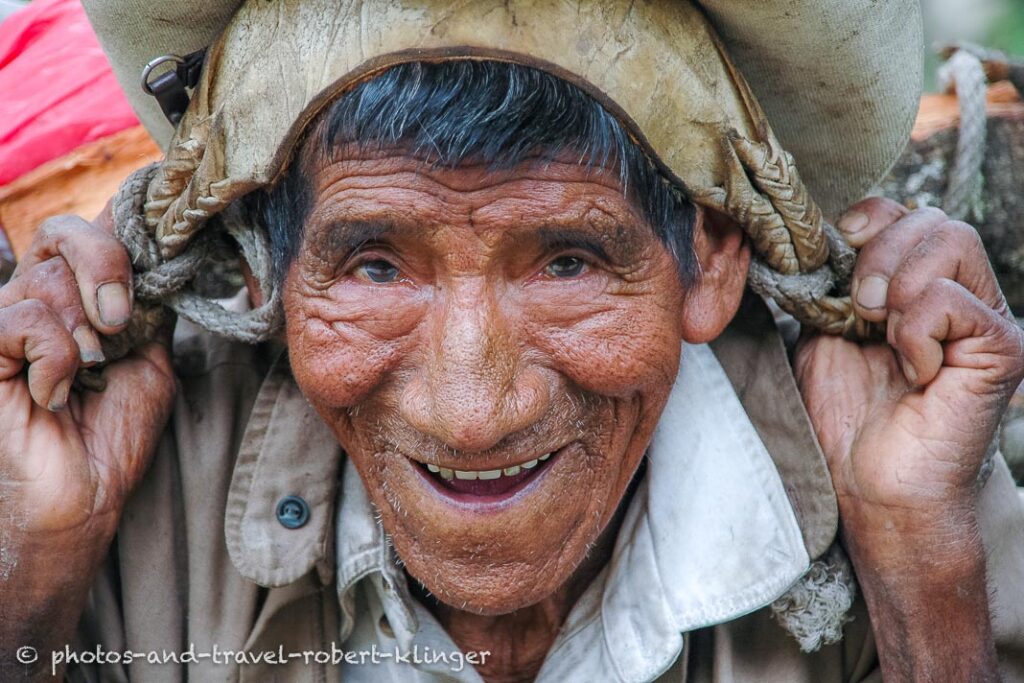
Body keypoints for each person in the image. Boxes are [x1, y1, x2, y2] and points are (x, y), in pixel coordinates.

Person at [2, 0, 1023, 681]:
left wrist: (923, 572)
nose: (471, 410)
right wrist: (36, 558)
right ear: (269, 273)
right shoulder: (132, 487)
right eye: (375, 266)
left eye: (567, 262)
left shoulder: (887, 457)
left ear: (710, 257)